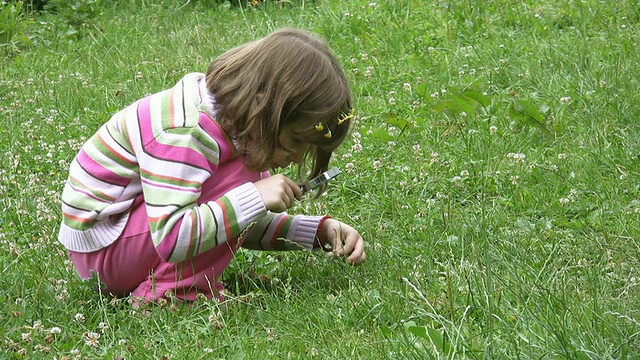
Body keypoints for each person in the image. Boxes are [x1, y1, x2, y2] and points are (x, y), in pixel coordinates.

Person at [57, 28, 367, 304]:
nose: (298, 158)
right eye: (296, 140)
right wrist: (254, 196)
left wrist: (316, 232)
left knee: (243, 184)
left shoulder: (231, 127)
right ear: (263, 107)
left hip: (127, 240)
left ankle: (179, 283)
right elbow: (172, 235)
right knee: (244, 179)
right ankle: (174, 292)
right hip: (104, 253)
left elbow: (233, 222)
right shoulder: (185, 130)